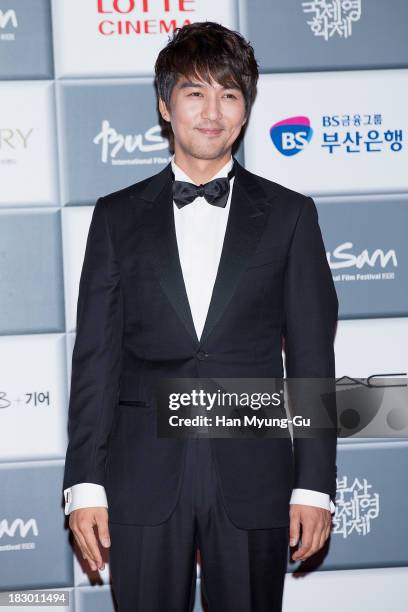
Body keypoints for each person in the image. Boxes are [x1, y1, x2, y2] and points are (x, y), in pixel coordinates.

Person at [62, 21, 338, 611]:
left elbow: (313, 357)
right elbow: (96, 361)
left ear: (244, 111)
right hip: (142, 475)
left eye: (230, 94)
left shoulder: (290, 217)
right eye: (195, 92)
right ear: (165, 107)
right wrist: (84, 480)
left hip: (252, 472)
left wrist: (314, 483)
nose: (212, 111)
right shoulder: (116, 218)